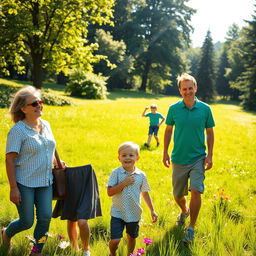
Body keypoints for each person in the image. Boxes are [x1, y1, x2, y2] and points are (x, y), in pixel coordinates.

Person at [3, 86, 58, 255]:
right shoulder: (18, 130)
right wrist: (13, 188)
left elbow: (49, 146)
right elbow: (10, 159)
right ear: (23, 108)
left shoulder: (46, 124)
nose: (39, 105)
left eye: (40, 101)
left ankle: (36, 251)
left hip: (45, 181)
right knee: (26, 221)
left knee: (45, 218)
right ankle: (5, 234)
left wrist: (56, 161)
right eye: (35, 103)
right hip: (24, 182)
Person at [162, 73, 215, 243]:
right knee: (177, 194)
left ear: (195, 88)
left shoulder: (205, 109)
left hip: (198, 157)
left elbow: (210, 132)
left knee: (196, 190)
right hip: (178, 158)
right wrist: (165, 152)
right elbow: (168, 130)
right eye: (184, 89)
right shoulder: (173, 109)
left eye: (190, 88)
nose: (187, 91)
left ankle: (191, 227)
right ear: (180, 90)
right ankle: (184, 211)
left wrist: (210, 155)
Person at [107, 142, 158, 256]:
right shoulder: (116, 173)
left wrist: (152, 210)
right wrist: (123, 183)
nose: (127, 158)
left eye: (131, 155)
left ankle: (130, 254)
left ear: (137, 157)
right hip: (117, 213)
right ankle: (112, 253)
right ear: (119, 158)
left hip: (134, 213)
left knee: (131, 237)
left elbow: (145, 193)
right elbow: (109, 192)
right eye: (124, 155)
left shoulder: (141, 175)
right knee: (115, 240)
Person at [52, 164, 102, 256]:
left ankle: (86, 250)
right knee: (71, 219)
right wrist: (57, 161)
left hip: (87, 173)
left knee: (82, 222)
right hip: (68, 173)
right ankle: (74, 249)